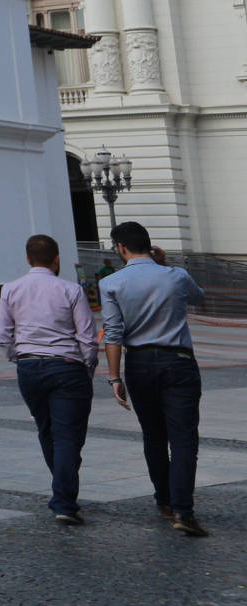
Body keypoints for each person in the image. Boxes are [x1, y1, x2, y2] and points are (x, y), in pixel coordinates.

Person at [100, 220, 210, 537]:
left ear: (121, 248)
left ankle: (164, 502)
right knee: (184, 438)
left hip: (139, 364)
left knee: (154, 435)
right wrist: (165, 265)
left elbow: (114, 332)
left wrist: (113, 377)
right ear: (150, 246)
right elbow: (198, 297)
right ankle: (183, 512)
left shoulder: (112, 284)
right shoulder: (176, 275)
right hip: (179, 362)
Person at [0, 232, 99, 525]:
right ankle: (64, 500)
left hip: (29, 368)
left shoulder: (10, 289)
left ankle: (63, 491)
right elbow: (87, 337)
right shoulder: (71, 290)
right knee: (67, 437)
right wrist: (87, 367)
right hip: (66, 366)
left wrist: (21, 358)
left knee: (46, 431)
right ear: (57, 260)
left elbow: (2, 335)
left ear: (28, 259)